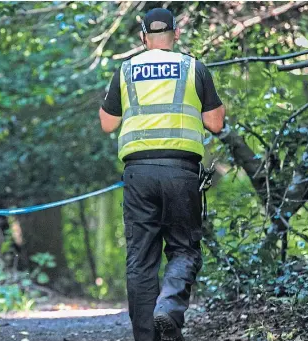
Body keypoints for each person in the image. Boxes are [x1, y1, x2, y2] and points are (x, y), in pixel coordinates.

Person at [98, 8, 226, 341]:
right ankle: (168, 307)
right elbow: (215, 123)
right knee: (184, 249)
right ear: (176, 33)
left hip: (138, 174)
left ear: (143, 37)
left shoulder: (125, 71)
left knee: (141, 259)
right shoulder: (193, 67)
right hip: (182, 172)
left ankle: (146, 337)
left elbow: (107, 123)